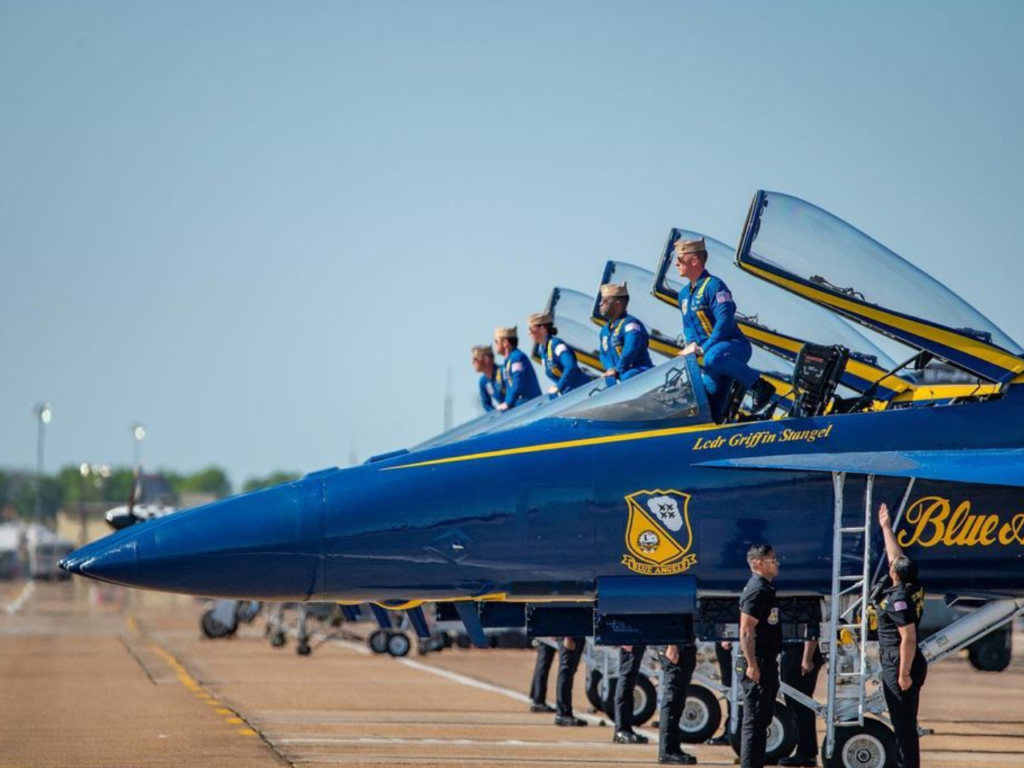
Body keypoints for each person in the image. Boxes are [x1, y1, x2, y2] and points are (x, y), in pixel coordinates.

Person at [673, 237, 776, 421]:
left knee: (713, 357)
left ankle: (760, 386)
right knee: (708, 407)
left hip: (732, 347)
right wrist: (691, 346)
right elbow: (688, 326)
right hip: (712, 359)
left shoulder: (714, 285)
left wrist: (704, 348)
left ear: (694, 260)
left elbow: (725, 320)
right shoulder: (683, 295)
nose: (676, 264)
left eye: (680, 260)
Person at [877, 502, 927, 768]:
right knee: (905, 723)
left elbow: (908, 637)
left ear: (894, 574)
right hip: (906, 660)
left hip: (901, 661)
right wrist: (886, 527)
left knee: (904, 725)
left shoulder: (898, 599)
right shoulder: (912, 585)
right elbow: (896, 558)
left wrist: (903, 673)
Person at [738, 543, 783, 768]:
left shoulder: (766, 588)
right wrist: (752, 663)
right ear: (758, 563)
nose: (776, 563)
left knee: (762, 720)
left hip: (766, 659)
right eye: (772, 559)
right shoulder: (757, 590)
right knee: (754, 723)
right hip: (758, 660)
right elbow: (746, 630)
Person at [778, 638, 824, 767]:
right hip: (794, 650)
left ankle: (806, 753)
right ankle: (805, 751)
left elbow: (811, 627)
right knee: (794, 703)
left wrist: (807, 657)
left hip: (800, 652)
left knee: (800, 704)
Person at [597, 282, 654, 382]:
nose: (600, 304)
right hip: (618, 377)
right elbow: (603, 354)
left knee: (627, 377)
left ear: (617, 305)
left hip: (639, 375)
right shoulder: (604, 331)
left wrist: (618, 370)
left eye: (605, 301)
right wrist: (610, 369)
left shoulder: (631, 324)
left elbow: (630, 348)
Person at [527, 312, 591, 395]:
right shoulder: (543, 351)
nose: (528, 333)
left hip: (584, 391)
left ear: (542, 329)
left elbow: (570, 366)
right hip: (570, 393)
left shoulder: (557, 345)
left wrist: (559, 386)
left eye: (531, 329)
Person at [658, 635, 699, 765]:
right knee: (672, 700)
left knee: (677, 702)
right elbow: (670, 616)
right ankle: (667, 751)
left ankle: (673, 748)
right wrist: (671, 644)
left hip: (683, 644)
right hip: (676, 645)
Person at [493, 326, 542, 410]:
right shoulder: (508, 361)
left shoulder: (517, 358)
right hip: (522, 406)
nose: (495, 345)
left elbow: (517, 382)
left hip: (530, 406)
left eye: (496, 341)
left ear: (505, 343)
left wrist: (508, 403)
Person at [613, 644, 649, 744]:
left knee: (629, 680)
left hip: (635, 638)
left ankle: (625, 728)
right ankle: (621, 729)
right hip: (631, 637)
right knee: (627, 678)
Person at [554, 636, 588, 727]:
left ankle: (565, 712)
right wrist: (568, 637)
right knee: (566, 669)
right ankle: (562, 713)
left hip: (576, 632)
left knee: (569, 670)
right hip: (570, 633)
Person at [472, 344, 505, 412]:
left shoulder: (503, 371)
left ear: (486, 359)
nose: (472, 362)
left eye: (475, 359)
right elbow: (486, 404)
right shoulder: (483, 382)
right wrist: (496, 414)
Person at [528, 639, 557, 713]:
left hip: (544, 634)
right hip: (546, 634)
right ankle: (538, 699)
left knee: (542, 664)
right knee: (543, 664)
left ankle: (536, 696)